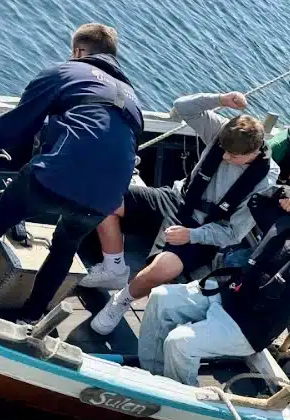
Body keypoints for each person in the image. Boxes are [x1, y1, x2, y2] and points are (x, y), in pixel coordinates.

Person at [0, 23, 145, 321]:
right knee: (65, 247)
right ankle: (32, 316)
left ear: (79, 51)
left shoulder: (65, 72)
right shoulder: (134, 101)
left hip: (56, 176)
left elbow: (25, 115)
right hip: (107, 199)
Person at [84, 92, 280, 335]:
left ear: (254, 152)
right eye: (224, 152)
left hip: (204, 227)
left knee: (163, 269)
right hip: (177, 200)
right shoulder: (221, 136)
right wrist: (221, 100)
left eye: (234, 157)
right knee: (104, 199)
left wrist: (192, 235)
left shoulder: (264, 182)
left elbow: (232, 233)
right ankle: (114, 268)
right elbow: (182, 107)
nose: (226, 158)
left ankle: (121, 300)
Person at [137, 186, 290, 385]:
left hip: (250, 327)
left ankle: (178, 396)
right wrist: (286, 193)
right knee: (160, 296)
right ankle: (152, 374)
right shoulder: (287, 223)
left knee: (179, 343)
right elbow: (257, 200)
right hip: (228, 295)